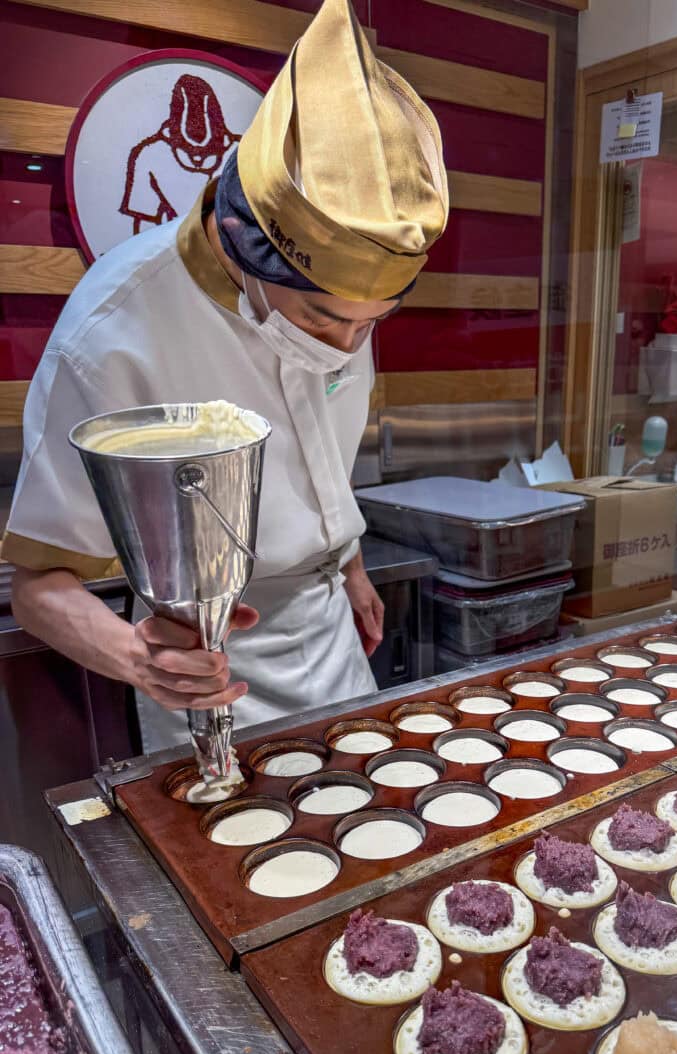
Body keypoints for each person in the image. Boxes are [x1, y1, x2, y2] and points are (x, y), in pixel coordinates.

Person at [3, 0, 448, 754]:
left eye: (371, 323)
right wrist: (139, 659)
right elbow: (38, 584)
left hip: (336, 646)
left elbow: (316, 460)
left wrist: (350, 564)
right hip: (209, 672)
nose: (345, 346)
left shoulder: (340, 308)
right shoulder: (115, 331)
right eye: (322, 321)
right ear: (245, 247)